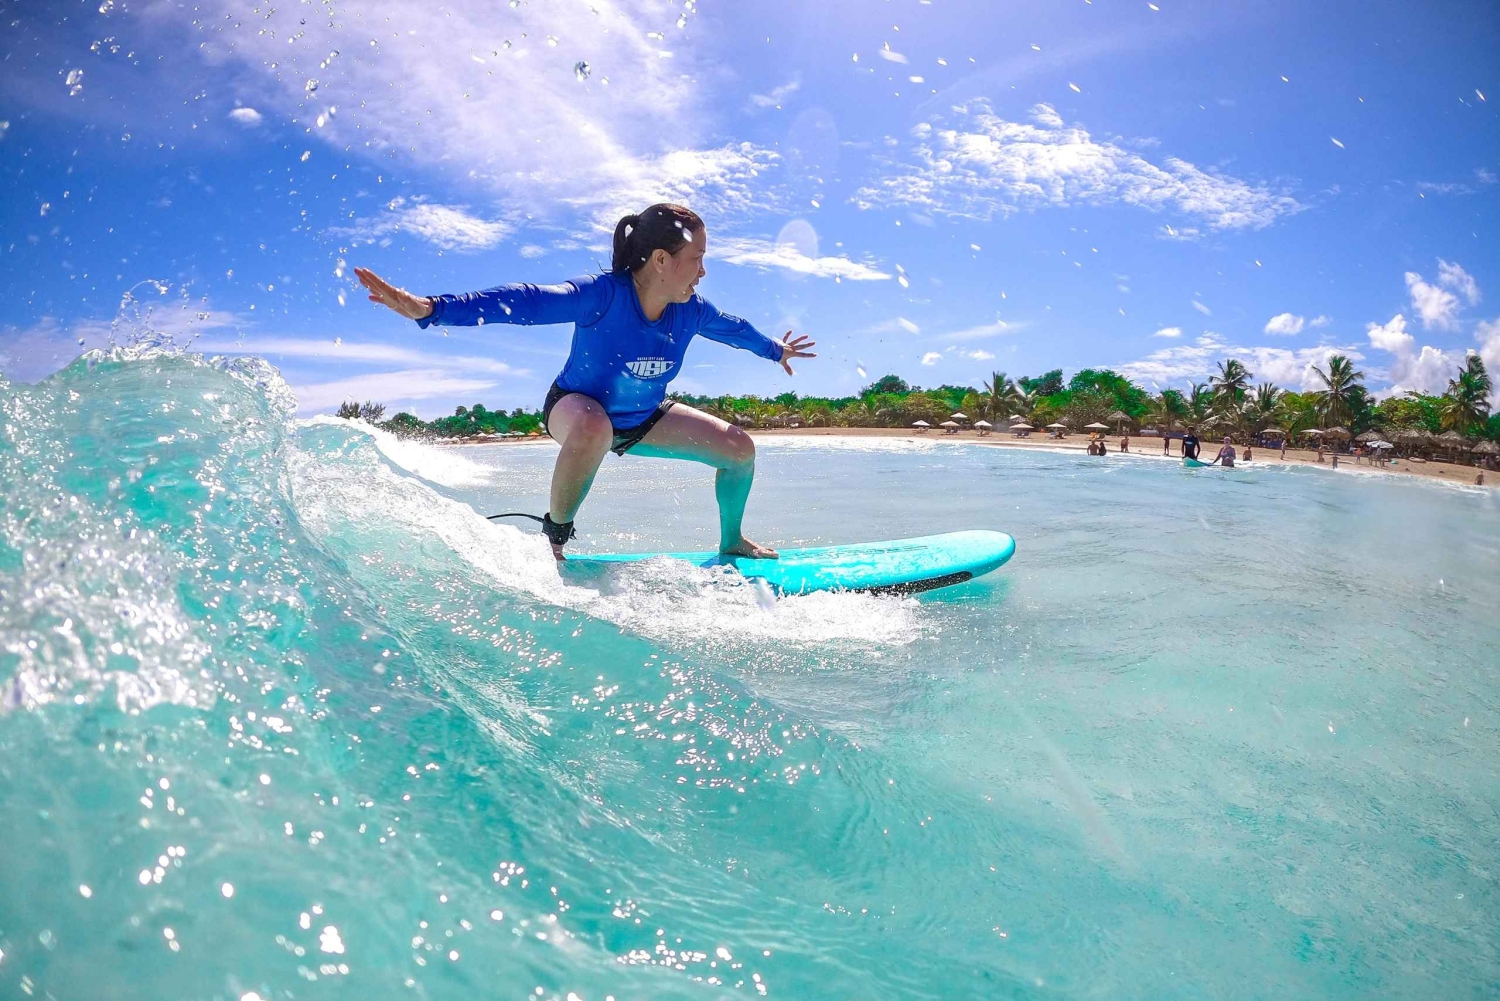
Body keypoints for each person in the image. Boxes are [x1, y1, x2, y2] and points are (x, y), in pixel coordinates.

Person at [354, 203, 816, 560]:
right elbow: (527, 302)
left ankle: (732, 541)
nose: (703, 270)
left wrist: (776, 351)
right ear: (660, 259)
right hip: (575, 408)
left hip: (643, 418)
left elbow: (738, 331)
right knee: (596, 427)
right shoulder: (603, 295)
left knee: (739, 450)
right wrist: (433, 310)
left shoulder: (692, 311)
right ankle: (554, 541)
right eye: (697, 258)